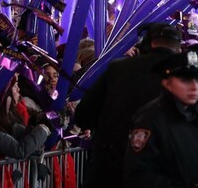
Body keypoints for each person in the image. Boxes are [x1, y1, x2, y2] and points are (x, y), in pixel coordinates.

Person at [74, 22, 184, 188]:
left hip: (108, 173)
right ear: (179, 51)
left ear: (146, 45)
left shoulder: (118, 69)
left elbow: (83, 116)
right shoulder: (191, 78)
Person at [124, 50, 198, 187]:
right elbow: (139, 176)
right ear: (167, 83)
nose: (194, 86)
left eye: (197, 79)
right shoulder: (149, 120)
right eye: (185, 80)